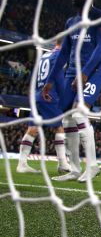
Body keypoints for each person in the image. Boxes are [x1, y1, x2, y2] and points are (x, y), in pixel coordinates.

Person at [46, 0, 101, 183]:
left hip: (93, 72)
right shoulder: (70, 22)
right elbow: (64, 52)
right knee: (67, 120)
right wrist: (49, 81)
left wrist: (85, 72)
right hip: (71, 74)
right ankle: (74, 169)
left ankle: (92, 166)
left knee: (79, 112)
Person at [16, 43, 71, 174]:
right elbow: (58, 78)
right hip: (49, 96)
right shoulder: (59, 55)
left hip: (38, 95)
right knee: (59, 127)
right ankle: (63, 163)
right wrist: (65, 97)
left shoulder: (44, 55)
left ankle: (22, 164)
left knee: (32, 129)